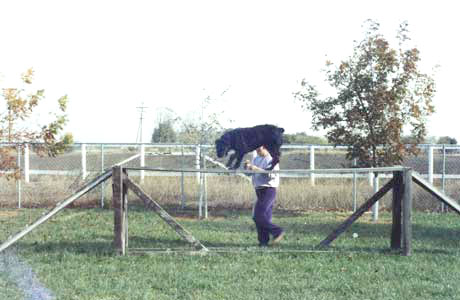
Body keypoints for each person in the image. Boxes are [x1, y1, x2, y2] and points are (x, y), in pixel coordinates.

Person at [244, 145, 284, 247]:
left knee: (258, 216)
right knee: (265, 217)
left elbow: (271, 175)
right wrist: (248, 168)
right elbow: (250, 174)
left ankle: (277, 231)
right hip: (259, 189)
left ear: (265, 147)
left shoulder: (272, 159)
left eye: (259, 149)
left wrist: (256, 168)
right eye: (256, 149)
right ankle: (263, 242)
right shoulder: (256, 158)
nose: (257, 151)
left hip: (268, 189)